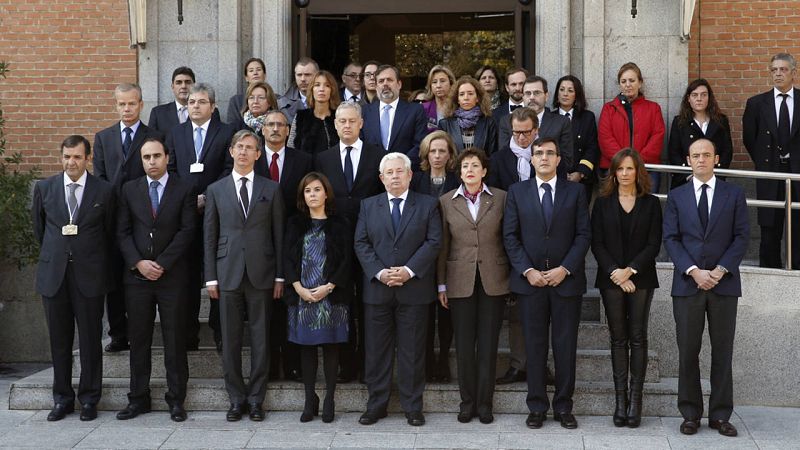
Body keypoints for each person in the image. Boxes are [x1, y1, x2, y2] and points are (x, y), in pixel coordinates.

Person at [663, 138, 749, 437]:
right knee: (688, 351)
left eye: (707, 155)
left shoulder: (734, 194)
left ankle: (720, 415)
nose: (701, 159)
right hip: (688, 284)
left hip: (724, 285)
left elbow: (741, 236)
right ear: (688, 160)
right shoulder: (677, 196)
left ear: (716, 159)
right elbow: (671, 238)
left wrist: (720, 270)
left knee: (722, 351)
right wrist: (694, 271)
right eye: (696, 155)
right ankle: (690, 413)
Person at [503, 137, 590, 430]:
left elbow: (583, 235)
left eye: (549, 153)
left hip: (566, 282)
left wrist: (565, 268)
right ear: (531, 159)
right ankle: (537, 406)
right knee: (534, 346)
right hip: (531, 284)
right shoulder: (517, 192)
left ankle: (564, 407)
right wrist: (527, 270)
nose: (543, 157)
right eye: (538, 153)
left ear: (558, 159)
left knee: (565, 347)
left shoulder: (576, 192)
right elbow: (510, 236)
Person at [354, 152, 442, 427]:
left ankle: (412, 407)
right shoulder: (368, 205)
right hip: (378, 290)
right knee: (376, 351)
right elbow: (361, 243)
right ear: (381, 178)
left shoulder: (427, 204)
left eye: (399, 171)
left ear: (410, 175)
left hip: (414, 289)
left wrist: (408, 271)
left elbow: (434, 241)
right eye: (389, 173)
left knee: (412, 351)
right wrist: (380, 272)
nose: (394, 176)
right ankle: (376, 405)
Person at [204, 129, 285, 422]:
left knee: (261, 339)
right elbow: (209, 236)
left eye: (250, 147)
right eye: (239, 146)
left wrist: (280, 276)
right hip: (227, 273)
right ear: (231, 151)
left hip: (262, 272)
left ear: (258, 154)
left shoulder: (271, 189)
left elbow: (279, 235)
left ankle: (256, 399)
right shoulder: (216, 190)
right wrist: (210, 277)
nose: (243, 152)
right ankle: (236, 398)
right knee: (231, 339)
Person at [32, 135, 115, 422]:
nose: (71, 162)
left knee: (91, 340)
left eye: (77, 157)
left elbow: (109, 232)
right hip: (54, 276)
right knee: (59, 341)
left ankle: (90, 399)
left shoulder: (104, 191)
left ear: (88, 158)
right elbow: (40, 229)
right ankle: (62, 399)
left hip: (90, 276)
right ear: (61, 157)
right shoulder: (45, 188)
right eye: (67, 157)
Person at [115, 137, 196, 423]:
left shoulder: (184, 188)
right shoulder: (129, 189)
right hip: (137, 278)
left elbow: (187, 230)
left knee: (174, 340)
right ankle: (138, 398)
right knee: (139, 340)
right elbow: (122, 232)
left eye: (156, 156)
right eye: (146, 157)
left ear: (167, 158)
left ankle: (176, 400)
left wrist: (162, 263)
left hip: (172, 276)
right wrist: (138, 263)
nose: (152, 161)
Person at [314, 102, 385, 383]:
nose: (346, 125)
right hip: (336, 244)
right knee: (341, 303)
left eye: (352, 121)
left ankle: (369, 365)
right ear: (335, 125)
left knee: (369, 306)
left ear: (361, 124)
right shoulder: (323, 158)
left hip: (371, 243)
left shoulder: (378, 155)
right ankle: (346, 365)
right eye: (342, 121)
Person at [590, 148, 662, 428]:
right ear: (613, 173)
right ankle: (620, 401)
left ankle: (636, 402)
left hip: (641, 277)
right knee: (618, 338)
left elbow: (654, 244)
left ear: (638, 171)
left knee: (638, 337)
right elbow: (597, 243)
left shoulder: (651, 203)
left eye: (630, 168)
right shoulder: (602, 204)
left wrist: (630, 271)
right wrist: (616, 273)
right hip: (610, 278)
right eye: (620, 169)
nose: (624, 173)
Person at [438, 147, 509, 424]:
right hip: (459, 280)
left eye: (475, 165)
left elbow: (508, 238)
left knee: (488, 345)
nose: (470, 170)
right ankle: (467, 403)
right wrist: (441, 285)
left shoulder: (501, 198)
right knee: (465, 346)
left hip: (494, 279)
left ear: (484, 171)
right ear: (459, 172)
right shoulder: (446, 201)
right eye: (465, 166)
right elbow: (443, 247)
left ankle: (485, 403)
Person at [166, 83, 237, 352]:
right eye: (192, 102)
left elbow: (229, 168)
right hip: (185, 216)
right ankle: (189, 334)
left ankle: (219, 332)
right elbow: (171, 169)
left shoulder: (226, 132)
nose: (195, 106)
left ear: (213, 106)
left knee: (217, 274)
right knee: (187, 275)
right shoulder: (176, 133)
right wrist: (188, 199)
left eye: (201, 102)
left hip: (216, 212)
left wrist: (207, 196)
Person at [94, 82, 163, 353]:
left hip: (143, 216)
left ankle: (139, 332)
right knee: (113, 276)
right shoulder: (103, 137)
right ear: (116, 105)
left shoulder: (154, 136)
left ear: (141, 104)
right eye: (121, 104)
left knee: (137, 278)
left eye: (132, 103)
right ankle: (118, 334)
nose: (127, 108)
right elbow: (100, 176)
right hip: (112, 217)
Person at [284, 172, 353, 423]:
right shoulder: (294, 223)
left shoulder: (340, 223)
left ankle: (329, 399)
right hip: (302, 296)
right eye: (307, 191)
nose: (312, 194)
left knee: (331, 347)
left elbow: (347, 260)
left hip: (332, 296)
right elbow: (287, 258)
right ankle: (309, 400)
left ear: (326, 193)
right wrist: (298, 288)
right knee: (307, 348)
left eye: (316, 189)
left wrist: (329, 286)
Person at [258, 109, 312, 382]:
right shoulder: (252, 159)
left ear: (289, 130)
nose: (275, 129)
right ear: (262, 129)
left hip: (294, 241)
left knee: (291, 305)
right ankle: (269, 366)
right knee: (265, 308)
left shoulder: (303, 160)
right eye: (270, 124)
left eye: (281, 125)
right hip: (259, 242)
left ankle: (293, 365)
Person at [487, 107, 538, 385]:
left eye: (526, 132)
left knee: (542, 311)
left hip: (542, 240)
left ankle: (540, 364)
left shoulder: (547, 156)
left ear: (536, 131)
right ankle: (519, 363)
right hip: (508, 239)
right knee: (517, 308)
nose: (521, 138)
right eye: (516, 132)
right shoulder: (498, 160)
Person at [742, 53, 800, 269]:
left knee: (798, 226)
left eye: (783, 69)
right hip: (769, 173)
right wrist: (764, 163)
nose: (778, 74)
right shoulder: (756, 103)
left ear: (793, 73)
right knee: (769, 228)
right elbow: (750, 138)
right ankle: (769, 272)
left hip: (798, 173)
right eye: (774, 70)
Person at [410, 130, 459, 383]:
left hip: (451, 251)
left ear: (450, 154)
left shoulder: (457, 180)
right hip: (421, 253)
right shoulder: (416, 180)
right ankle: (428, 363)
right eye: (433, 151)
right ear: (426, 154)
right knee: (425, 314)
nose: (437, 155)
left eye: (442, 151)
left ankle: (443, 362)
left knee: (447, 311)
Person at [598, 62, 665, 192]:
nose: (627, 84)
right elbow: (605, 138)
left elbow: (657, 137)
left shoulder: (653, 108)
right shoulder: (609, 109)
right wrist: (624, 163)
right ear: (620, 84)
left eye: (632, 80)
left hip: (646, 168)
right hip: (615, 168)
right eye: (623, 81)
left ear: (640, 83)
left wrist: (636, 162)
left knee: (646, 204)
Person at [499, 76, 573, 173]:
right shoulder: (506, 121)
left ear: (546, 96)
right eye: (528, 93)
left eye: (537, 93)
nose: (532, 97)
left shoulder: (561, 122)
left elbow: (567, 161)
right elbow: (503, 158)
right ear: (523, 97)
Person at [669, 79, 733, 189]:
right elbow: (674, 153)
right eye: (694, 95)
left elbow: (727, 151)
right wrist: (690, 176)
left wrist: (713, 176)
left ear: (709, 98)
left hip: (715, 181)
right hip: (685, 182)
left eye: (703, 95)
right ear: (688, 99)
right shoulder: (680, 122)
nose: (699, 99)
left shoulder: (721, 121)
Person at [361, 65, 428, 168]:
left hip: (405, 171)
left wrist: (400, 166)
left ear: (399, 84)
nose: (385, 84)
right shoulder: (364, 112)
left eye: (389, 80)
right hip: (372, 172)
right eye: (381, 81)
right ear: (376, 86)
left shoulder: (415, 111)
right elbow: (360, 144)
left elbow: (420, 144)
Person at [553, 75, 599, 201]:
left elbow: (592, 147)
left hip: (581, 180)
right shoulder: (549, 117)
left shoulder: (587, 117)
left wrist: (580, 173)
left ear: (577, 95)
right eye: (562, 89)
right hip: (554, 178)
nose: (565, 94)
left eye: (570, 90)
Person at [438, 76, 498, 156]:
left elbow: (493, 154)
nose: (466, 98)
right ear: (457, 99)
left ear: (477, 98)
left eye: (470, 94)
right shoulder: (445, 124)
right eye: (462, 94)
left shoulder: (489, 123)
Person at [288, 70, 341, 158]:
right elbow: (291, 149)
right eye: (317, 85)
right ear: (312, 89)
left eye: (327, 85)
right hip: (305, 166)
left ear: (332, 90)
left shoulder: (339, 117)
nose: (321, 89)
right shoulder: (301, 117)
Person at [148, 66, 194, 136]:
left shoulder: (205, 111)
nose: (183, 86)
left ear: (194, 86)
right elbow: (152, 140)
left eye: (187, 82)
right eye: (179, 82)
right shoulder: (158, 113)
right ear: (172, 87)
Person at [227, 57, 267, 128]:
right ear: (246, 78)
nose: (255, 73)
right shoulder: (236, 101)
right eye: (251, 71)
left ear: (264, 75)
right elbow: (232, 127)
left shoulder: (277, 99)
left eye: (258, 70)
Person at [279, 57, 319, 123]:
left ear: (317, 76)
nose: (303, 79)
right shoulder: (282, 104)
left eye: (307, 75)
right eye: (299, 75)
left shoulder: (330, 101)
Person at [420, 65, 456, 132]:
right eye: (434, 82)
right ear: (430, 86)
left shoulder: (458, 107)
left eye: (442, 81)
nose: (438, 85)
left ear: (451, 83)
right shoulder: (423, 109)